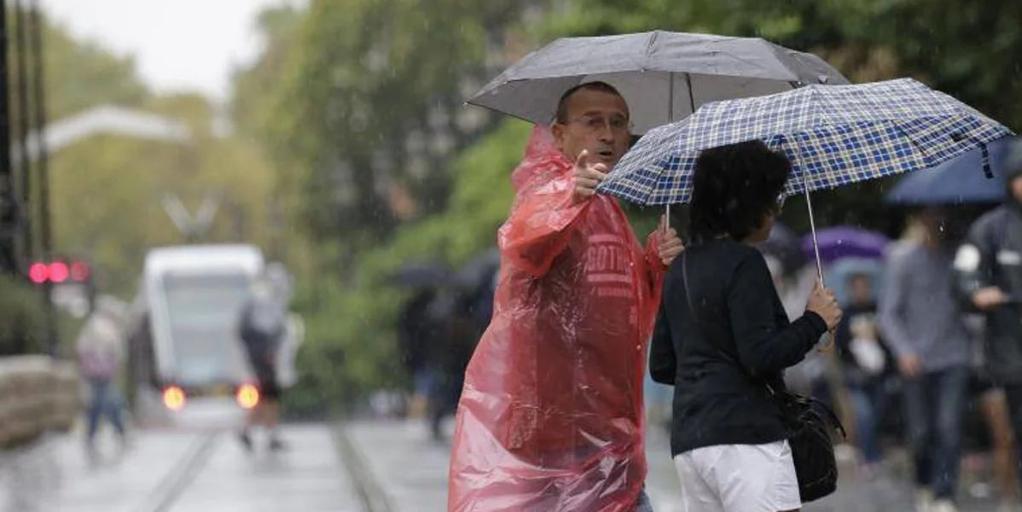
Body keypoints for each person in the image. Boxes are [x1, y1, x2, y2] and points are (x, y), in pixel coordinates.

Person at [447, 82, 683, 512]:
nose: (609, 135)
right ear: (558, 133)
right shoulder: (547, 191)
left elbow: (623, 310)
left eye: (618, 123)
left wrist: (652, 265)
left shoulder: (609, 206)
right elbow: (525, 245)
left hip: (613, 432)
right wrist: (567, 195)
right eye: (593, 122)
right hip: (553, 436)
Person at [650, 140, 842, 512]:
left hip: (692, 443)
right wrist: (816, 319)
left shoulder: (681, 269)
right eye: (771, 200)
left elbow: (662, 365)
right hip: (747, 443)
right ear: (748, 205)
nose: (774, 212)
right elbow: (761, 355)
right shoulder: (745, 263)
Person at [879, 209, 972, 512]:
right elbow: (888, 313)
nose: (938, 223)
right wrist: (903, 350)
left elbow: (970, 302)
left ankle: (944, 493)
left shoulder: (958, 259)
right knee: (920, 432)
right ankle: (924, 484)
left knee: (949, 427)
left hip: (954, 355)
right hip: (915, 359)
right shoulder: (902, 261)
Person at [955, 138, 1022, 507]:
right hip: (1008, 355)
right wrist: (976, 291)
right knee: (1008, 435)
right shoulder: (991, 228)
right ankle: (1008, 497)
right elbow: (964, 273)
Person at [834, 272, 894, 477]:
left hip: (879, 375)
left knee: (877, 415)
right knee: (864, 415)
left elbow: (890, 340)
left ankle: (872, 452)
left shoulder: (879, 309)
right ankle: (868, 456)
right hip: (856, 376)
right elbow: (839, 345)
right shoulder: (846, 313)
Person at [238, 274, 288, 451]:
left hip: (260, 358)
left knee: (266, 397)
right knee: (268, 397)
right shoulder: (264, 304)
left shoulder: (256, 303)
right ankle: (264, 432)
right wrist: (266, 352)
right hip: (263, 359)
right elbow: (269, 331)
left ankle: (253, 430)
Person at [76, 298, 129, 454]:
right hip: (101, 373)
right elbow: (116, 352)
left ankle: (93, 434)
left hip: (96, 373)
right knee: (106, 402)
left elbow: (82, 349)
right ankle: (117, 430)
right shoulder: (104, 328)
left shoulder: (93, 326)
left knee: (98, 404)